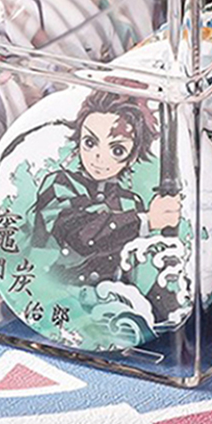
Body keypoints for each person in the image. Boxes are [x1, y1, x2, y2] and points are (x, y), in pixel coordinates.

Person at [31, 89, 181, 285]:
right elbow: (80, 235)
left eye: (117, 150)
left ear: (132, 157)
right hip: (55, 292)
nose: (99, 157)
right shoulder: (60, 185)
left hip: (113, 297)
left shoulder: (130, 202)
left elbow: (133, 266)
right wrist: (145, 221)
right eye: (90, 142)